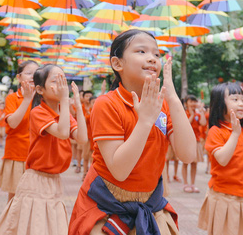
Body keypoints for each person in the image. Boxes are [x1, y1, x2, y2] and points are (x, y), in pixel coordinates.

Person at [68, 29, 196, 234]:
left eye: (157, 54)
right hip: (107, 206)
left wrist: (172, 98)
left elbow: (188, 154)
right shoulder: (107, 103)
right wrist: (145, 121)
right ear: (117, 64)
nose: (152, 59)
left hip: (149, 203)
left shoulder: (162, 105)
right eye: (141, 51)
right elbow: (119, 170)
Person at [0, 65, 87, 235]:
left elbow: (83, 138)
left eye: (63, 80)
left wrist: (77, 106)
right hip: (37, 180)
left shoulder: (63, 113)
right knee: (34, 227)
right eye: (56, 81)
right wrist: (65, 101)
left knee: (49, 227)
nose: (62, 86)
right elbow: (63, 134)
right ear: (40, 89)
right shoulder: (38, 112)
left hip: (54, 180)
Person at [197, 82, 243, 234]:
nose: (241, 104)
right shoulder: (216, 131)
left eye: (242, 100)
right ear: (220, 104)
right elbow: (222, 159)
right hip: (224, 197)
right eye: (235, 100)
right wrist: (235, 134)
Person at [0, 60, 39, 201]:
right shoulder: (12, 98)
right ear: (19, 77)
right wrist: (27, 99)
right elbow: (13, 123)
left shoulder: (43, 98)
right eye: (28, 73)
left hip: (37, 155)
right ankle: (12, 223)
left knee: (34, 197)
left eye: (36, 73)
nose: (33, 77)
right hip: (16, 153)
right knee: (15, 196)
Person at [182, 95, 207, 193]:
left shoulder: (198, 114)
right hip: (186, 141)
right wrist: (192, 115)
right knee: (185, 162)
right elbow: (185, 124)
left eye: (194, 101)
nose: (193, 103)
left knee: (194, 163)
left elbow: (203, 123)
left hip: (196, 141)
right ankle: (185, 184)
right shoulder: (184, 113)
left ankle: (192, 184)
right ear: (186, 103)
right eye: (191, 101)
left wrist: (201, 111)